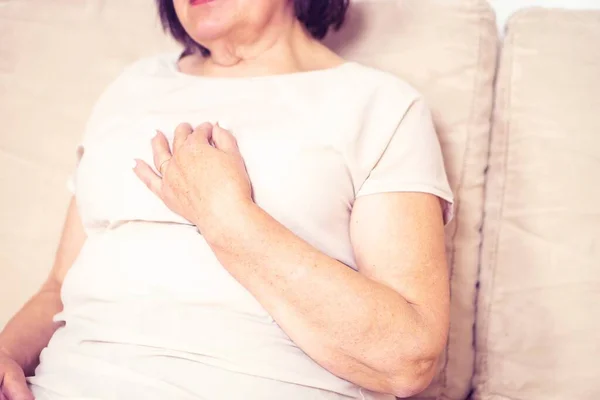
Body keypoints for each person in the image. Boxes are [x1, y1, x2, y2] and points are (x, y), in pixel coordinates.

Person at [0, 0, 455, 399]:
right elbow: (58, 286)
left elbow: (407, 359)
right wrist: (6, 355)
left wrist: (226, 218)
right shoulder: (130, 86)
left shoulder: (381, 105)